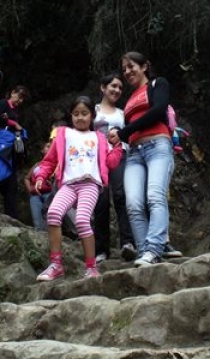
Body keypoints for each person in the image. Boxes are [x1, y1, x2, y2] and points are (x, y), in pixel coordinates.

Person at [34, 96, 123, 281]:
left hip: (90, 183)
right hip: (68, 184)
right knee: (53, 213)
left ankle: (91, 267)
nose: (80, 118)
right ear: (71, 116)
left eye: (84, 114)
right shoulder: (63, 134)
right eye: (76, 114)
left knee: (82, 220)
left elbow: (110, 162)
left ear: (92, 116)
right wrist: (41, 176)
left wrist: (118, 147)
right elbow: (50, 160)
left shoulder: (99, 137)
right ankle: (56, 264)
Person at [107, 52, 175, 267]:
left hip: (158, 146)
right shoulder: (128, 101)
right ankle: (144, 251)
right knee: (134, 203)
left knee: (155, 196)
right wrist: (121, 132)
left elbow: (157, 111)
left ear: (145, 66)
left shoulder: (158, 84)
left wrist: (125, 131)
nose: (127, 72)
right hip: (135, 153)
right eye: (124, 68)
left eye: (131, 66)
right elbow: (131, 126)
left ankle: (154, 249)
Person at [92, 73, 136, 263]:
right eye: (113, 86)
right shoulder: (92, 110)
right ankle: (101, 249)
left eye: (120, 87)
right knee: (100, 201)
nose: (117, 90)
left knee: (121, 195)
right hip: (96, 158)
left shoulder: (122, 113)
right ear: (102, 88)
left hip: (119, 154)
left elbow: (130, 134)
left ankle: (128, 243)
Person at [0, 85, 30, 219]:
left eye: (23, 99)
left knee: (11, 182)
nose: (20, 101)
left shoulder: (16, 112)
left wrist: (7, 119)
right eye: (19, 96)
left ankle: (12, 217)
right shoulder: (3, 103)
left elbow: (6, 120)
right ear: (12, 92)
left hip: (10, 147)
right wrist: (13, 123)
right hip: (0, 143)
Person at [24, 139, 54, 231]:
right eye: (48, 146)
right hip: (35, 195)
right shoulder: (37, 164)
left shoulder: (57, 164)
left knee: (51, 222)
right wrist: (30, 189)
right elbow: (26, 178)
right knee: (37, 223)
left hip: (50, 194)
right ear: (42, 150)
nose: (50, 148)